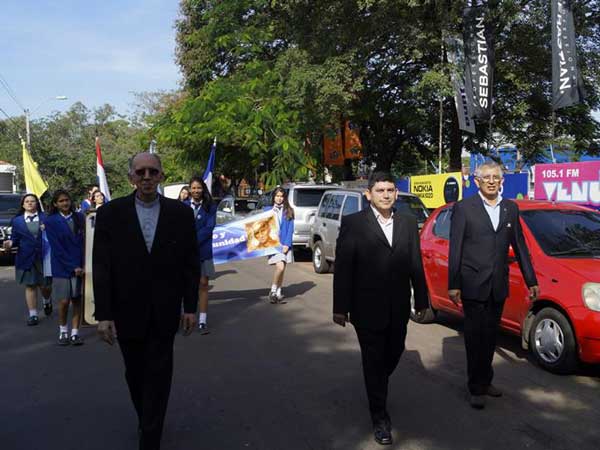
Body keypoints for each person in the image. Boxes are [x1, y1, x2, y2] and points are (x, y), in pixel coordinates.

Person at [93, 152, 199, 450]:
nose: (147, 177)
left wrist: (190, 308)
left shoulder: (180, 214)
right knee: (136, 374)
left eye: (153, 171)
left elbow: (191, 264)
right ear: (131, 177)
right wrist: (104, 315)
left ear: (162, 176)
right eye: (141, 172)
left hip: (165, 311)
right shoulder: (110, 214)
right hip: (126, 311)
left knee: (160, 374)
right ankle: (146, 417)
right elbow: (101, 267)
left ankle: (150, 436)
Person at [333, 171, 428, 446]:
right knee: (373, 360)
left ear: (396, 193)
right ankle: (380, 419)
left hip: (398, 306)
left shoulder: (407, 223)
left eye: (390, 190)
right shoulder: (353, 223)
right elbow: (344, 268)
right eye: (380, 190)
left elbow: (415, 263)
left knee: (394, 352)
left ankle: (376, 383)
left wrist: (422, 300)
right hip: (366, 307)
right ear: (369, 195)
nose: (386, 195)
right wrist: (340, 307)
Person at [448, 161, 539, 410]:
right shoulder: (464, 208)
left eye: (495, 177)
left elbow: (520, 246)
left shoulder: (510, 208)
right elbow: (455, 248)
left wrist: (531, 279)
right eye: (486, 177)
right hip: (472, 284)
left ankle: (486, 380)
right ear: (476, 181)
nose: (491, 181)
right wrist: (453, 284)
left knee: (490, 336)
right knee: (475, 337)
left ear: (502, 181)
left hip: (498, 284)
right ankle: (475, 387)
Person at [3, 194, 52, 325]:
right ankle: (33, 314)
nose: (30, 203)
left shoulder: (45, 218)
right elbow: (14, 239)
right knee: (30, 286)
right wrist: (9, 243)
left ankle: (47, 301)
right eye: (27, 201)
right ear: (23, 205)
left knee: (45, 286)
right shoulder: (17, 221)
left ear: (37, 203)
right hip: (26, 257)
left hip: (44, 257)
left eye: (32, 201)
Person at [44, 190, 85, 345]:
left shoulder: (80, 217)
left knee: (76, 299)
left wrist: (83, 264)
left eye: (67, 200)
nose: (65, 203)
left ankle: (75, 333)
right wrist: (72, 266)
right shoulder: (51, 221)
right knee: (64, 301)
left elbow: (85, 242)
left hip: (79, 265)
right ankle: (63, 331)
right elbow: (57, 247)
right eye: (61, 201)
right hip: (61, 266)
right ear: (55, 204)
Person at [188, 176, 216, 334]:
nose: (196, 190)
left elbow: (209, 227)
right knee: (185, 285)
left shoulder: (210, 206)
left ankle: (202, 321)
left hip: (203, 251)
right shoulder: (183, 206)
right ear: (189, 189)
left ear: (203, 189)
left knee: (203, 284)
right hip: (185, 252)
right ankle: (186, 317)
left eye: (199, 188)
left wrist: (192, 242)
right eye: (193, 188)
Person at [263, 187, 294, 304]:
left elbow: (290, 229)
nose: (279, 198)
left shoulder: (289, 210)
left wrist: (287, 244)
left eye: (281, 196)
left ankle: (278, 292)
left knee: (282, 269)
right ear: (273, 197)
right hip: (273, 244)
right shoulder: (267, 210)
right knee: (280, 267)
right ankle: (273, 290)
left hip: (285, 244)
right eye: (277, 196)